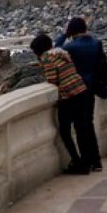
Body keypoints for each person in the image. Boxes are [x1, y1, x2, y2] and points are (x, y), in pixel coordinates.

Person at [31, 34, 91, 175]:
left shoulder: (47, 59)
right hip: (81, 90)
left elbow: (52, 81)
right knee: (82, 129)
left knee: (65, 131)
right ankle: (87, 162)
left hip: (68, 96)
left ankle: (76, 161)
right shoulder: (62, 54)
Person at [55, 17, 104, 172]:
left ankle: (85, 161)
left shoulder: (71, 47)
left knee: (79, 126)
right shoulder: (97, 44)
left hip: (76, 90)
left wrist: (64, 35)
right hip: (92, 88)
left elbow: (55, 52)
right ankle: (96, 160)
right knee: (88, 123)